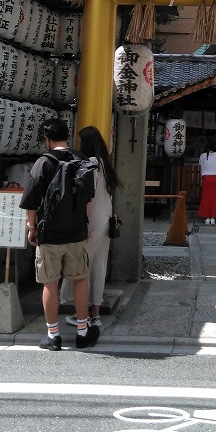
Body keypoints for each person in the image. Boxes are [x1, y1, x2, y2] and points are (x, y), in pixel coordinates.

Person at [19, 117, 100, 351]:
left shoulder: (42, 163)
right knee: (80, 279)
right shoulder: (81, 161)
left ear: (46, 139)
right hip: (76, 233)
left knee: (50, 283)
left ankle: (53, 335)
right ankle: (83, 332)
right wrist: (82, 222)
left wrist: (31, 227)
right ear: (67, 136)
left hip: (49, 234)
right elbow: (89, 199)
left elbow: (31, 202)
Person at [62, 126, 120, 330]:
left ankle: (83, 314)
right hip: (106, 222)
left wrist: (82, 222)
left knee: (82, 267)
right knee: (99, 266)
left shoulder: (91, 164)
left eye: (81, 141)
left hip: (91, 222)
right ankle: (95, 313)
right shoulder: (105, 164)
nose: (78, 145)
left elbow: (89, 197)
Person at [197, 137, 216, 224]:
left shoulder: (202, 156)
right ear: (215, 146)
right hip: (215, 178)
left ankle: (207, 217)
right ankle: (213, 217)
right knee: (215, 198)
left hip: (206, 178)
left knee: (206, 198)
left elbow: (201, 169)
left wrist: (201, 180)